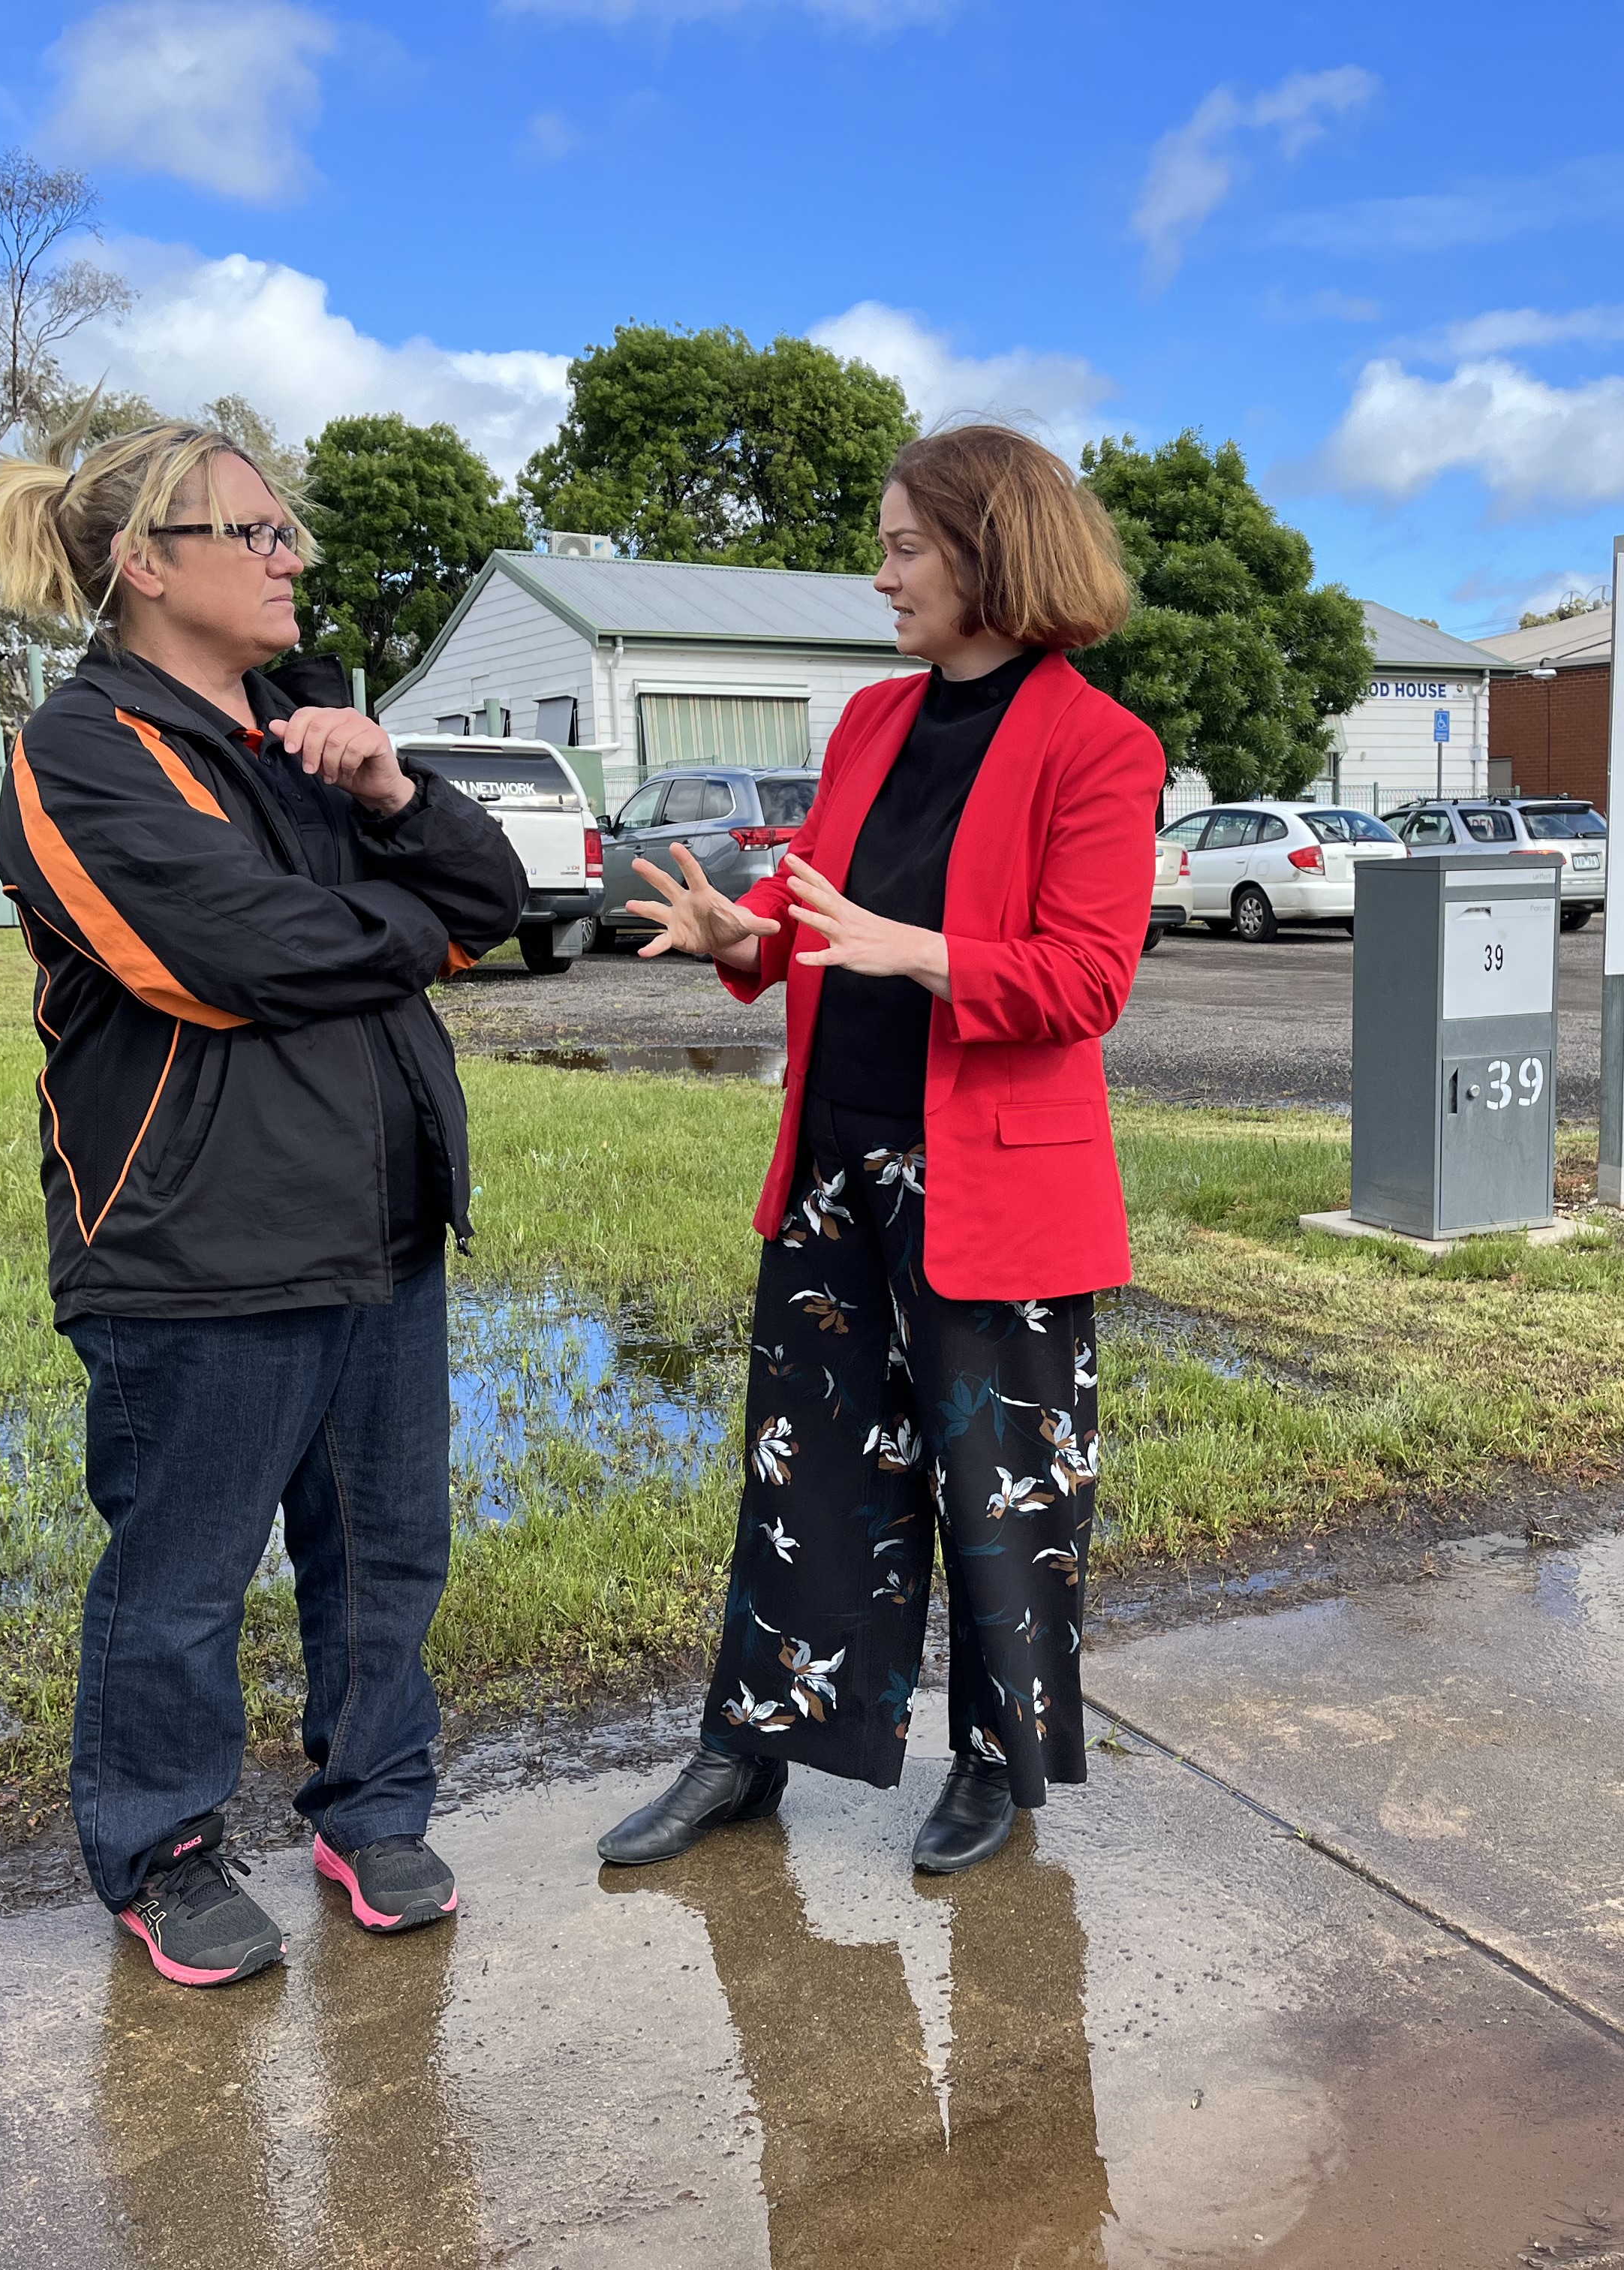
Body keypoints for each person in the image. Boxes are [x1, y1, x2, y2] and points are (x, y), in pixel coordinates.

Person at [0, 415, 525, 1989]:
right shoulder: (78, 756)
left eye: (290, 534)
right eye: (257, 534)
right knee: (181, 1579)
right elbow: (244, 959)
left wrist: (399, 793)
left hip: (381, 1224)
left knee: (388, 1555)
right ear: (147, 566)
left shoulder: (313, 729)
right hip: (194, 1246)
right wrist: (397, 918)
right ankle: (162, 1847)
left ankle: (374, 1808)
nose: (294, 560)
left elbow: (491, 898)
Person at [597, 423, 1160, 1877]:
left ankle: (996, 1761)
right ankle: (752, 1747)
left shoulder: (1100, 745)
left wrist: (912, 949)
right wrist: (747, 938)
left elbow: (1086, 981)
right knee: (807, 1474)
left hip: (996, 1185)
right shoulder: (869, 726)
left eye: (905, 547)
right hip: (839, 1162)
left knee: (1005, 1490)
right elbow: (814, 912)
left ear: (992, 551)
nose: (882, 574)